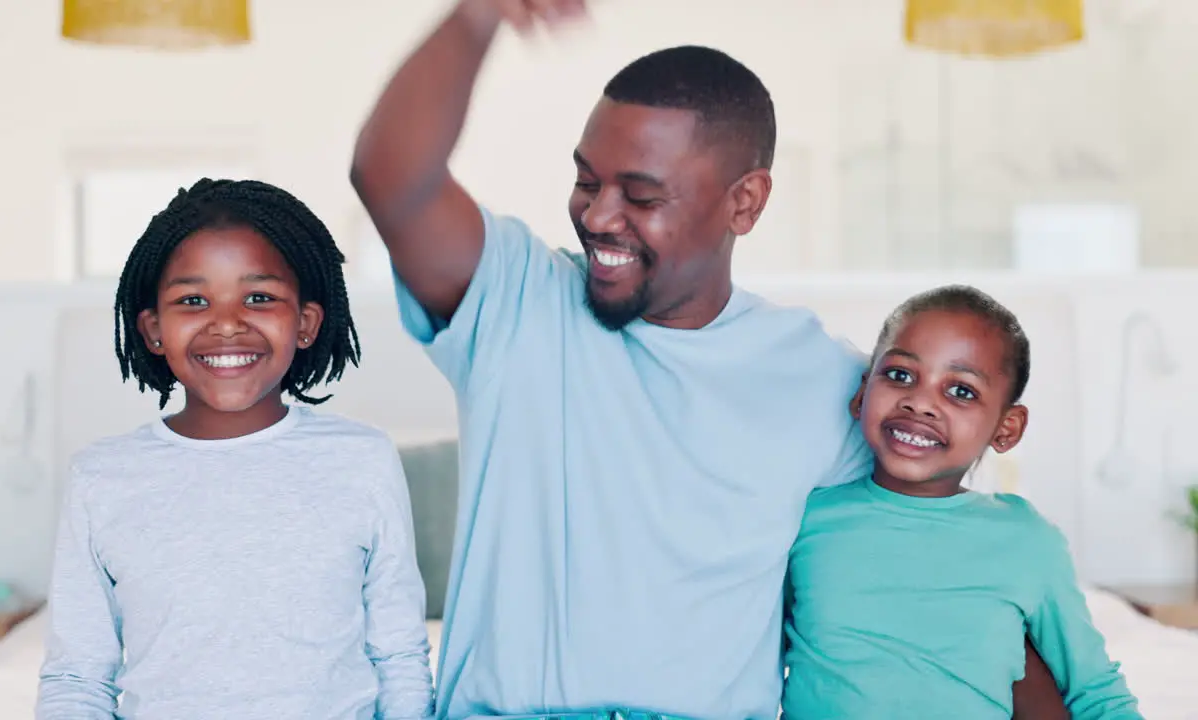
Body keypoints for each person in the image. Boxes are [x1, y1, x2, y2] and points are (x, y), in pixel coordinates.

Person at [351, 1, 1067, 717]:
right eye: (587, 181)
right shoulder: (516, 302)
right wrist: (480, 15)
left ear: (745, 203)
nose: (599, 216)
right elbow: (390, 177)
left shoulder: (831, 385)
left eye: (641, 196)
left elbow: (925, 575)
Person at [36, 179, 434, 719]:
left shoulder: (361, 460)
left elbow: (399, 656)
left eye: (260, 298)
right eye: (193, 300)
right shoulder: (101, 479)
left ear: (306, 324)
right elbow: (77, 676)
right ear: (153, 329)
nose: (226, 324)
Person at [782, 285, 1141, 719]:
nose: (920, 402)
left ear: (1006, 428)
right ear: (862, 394)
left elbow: (1094, 690)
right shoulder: (805, 521)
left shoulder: (1026, 540)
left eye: (962, 391)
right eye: (900, 375)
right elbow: (745, 657)